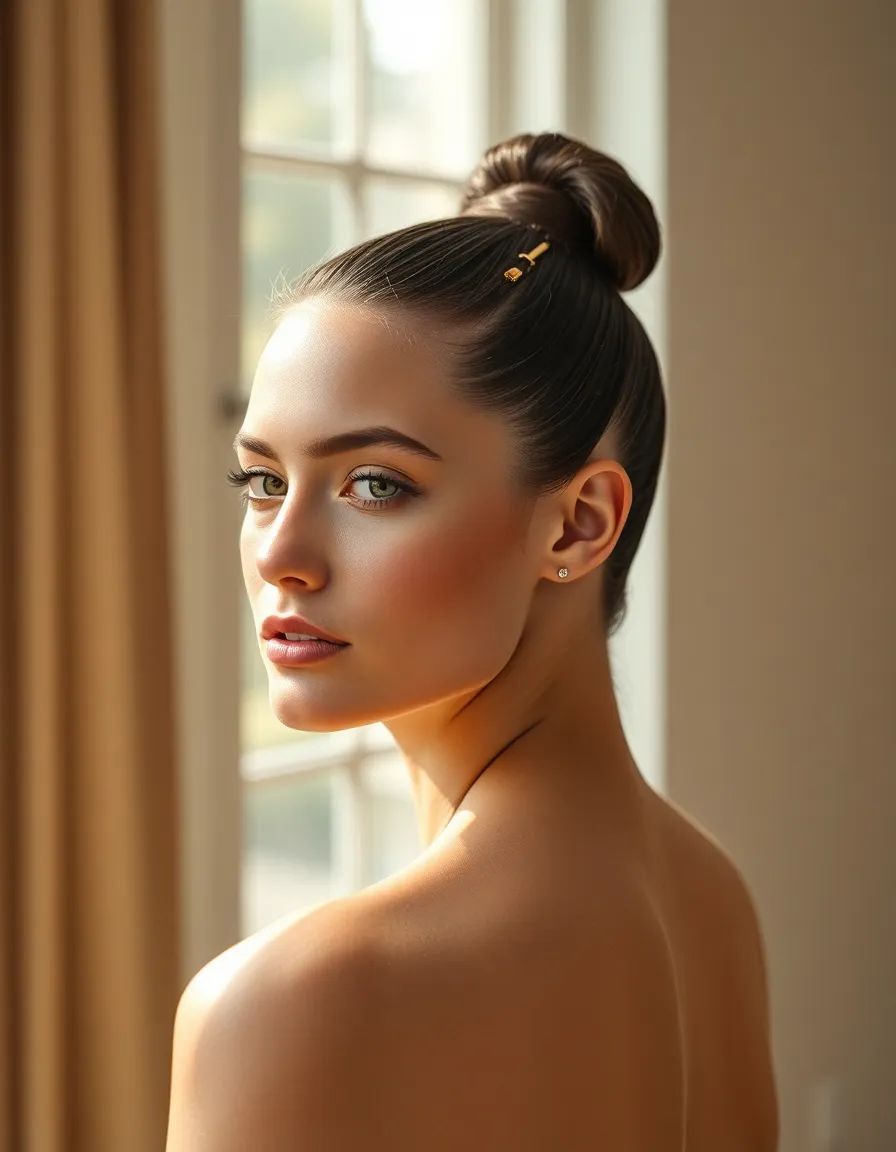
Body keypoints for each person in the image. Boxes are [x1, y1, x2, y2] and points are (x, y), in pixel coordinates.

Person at [165, 131, 779, 1151]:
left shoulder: (292, 1003)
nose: (281, 554)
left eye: (375, 484)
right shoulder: (711, 900)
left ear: (577, 524)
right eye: (263, 481)